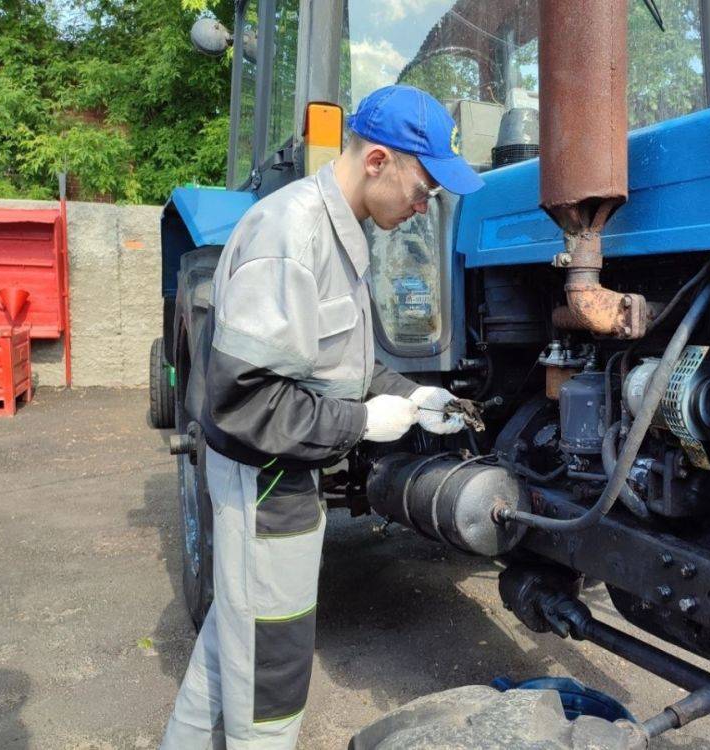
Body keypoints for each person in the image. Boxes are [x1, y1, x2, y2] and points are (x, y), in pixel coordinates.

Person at [160, 85, 485, 749]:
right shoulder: (292, 235)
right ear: (378, 161)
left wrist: (414, 396)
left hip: (284, 472)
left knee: (234, 641)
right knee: (271, 675)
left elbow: (336, 364)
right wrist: (363, 424)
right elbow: (244, 402)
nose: (426, 207)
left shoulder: (342, 232)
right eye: (424, 187)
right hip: (266, 482)